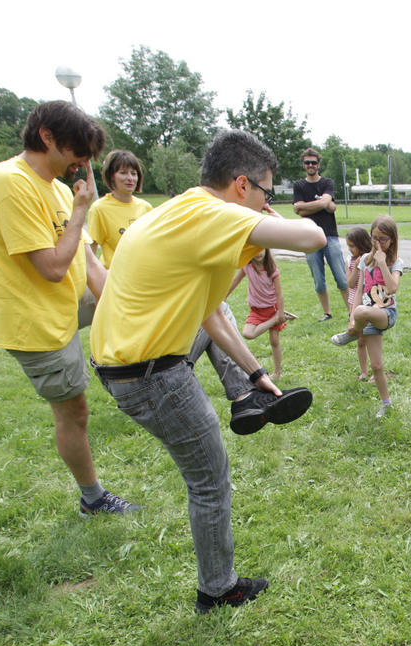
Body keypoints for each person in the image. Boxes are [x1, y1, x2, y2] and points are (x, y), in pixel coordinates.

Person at [89, 129, 325, 613]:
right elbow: (314, 236)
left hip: (128, 358)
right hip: (149, 374)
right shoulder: (211, 213)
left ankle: (245, 397)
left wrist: (257, 373)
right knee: (209, 481)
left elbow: (209, 312)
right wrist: (271, 216)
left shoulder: (183, 209)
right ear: (242, 185)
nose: (266, 201)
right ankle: (217, 589)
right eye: (266, 191)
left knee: (226, 313)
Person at [0, 100, 138, 517]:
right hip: (36, 320)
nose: (83, 163)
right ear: (47, 137)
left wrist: (126, 309)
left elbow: (88, 263)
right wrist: (82, 211)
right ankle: (93, 498)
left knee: (137, 313)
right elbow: (51, 267)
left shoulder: (59, 188)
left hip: (67, 301)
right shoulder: (9, 182)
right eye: (78, 153)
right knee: (75, 410)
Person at [332, 215, 403, 418]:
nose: (378, 243)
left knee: (361, 311)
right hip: (365, 315)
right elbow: (360, 289)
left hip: (385, 313)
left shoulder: (395, 262)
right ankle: (386, 403)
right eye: (375, 238)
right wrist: (352, 320)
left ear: (392, 240)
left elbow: (392, 288)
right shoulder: (364, 260)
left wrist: (382, 263)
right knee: (376, 365)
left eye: (383, 239)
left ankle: (355, 333)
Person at [292, 147, 348, 321]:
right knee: (318, 279)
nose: (310, 165)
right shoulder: (299, 185)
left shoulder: (327, 183)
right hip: (308, 237)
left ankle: (352, 311)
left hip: (330, 235)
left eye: (313, 162)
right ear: (303, 164)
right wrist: (322, 203)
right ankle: (327, 313)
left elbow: (321, 206)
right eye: (307, 162)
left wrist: (305, 205)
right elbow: (298, 211)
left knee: (341, 277)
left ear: (318, 164)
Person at [86, 149, 152, 270]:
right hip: (114, 279)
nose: (130, 178)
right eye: (123, 172)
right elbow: (90, 252)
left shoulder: (146, 207)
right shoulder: (99, 209)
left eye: (133, 173)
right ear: (111, 176)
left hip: (142, 276)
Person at [237, 248, 287, 381]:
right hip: (257, 310)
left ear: (266, 250)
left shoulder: (272, 269)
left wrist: (280, 312)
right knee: (248, 333)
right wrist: (223, 297)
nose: (258, 253)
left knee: (274, 341)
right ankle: (274, 320)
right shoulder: (247, 267)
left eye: (260, 250)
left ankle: (277, 372)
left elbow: (279, 294)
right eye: (254, 250)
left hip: (273, 308)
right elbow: (234, 282)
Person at [343, 226, 374, 381]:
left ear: (362, 244)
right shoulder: (349, 260)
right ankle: (364, 371)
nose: (350, 249)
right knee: (361, 340)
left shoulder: (370, 258)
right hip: (354, 303)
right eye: (348, 246)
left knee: (371, 338)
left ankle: (376, 371)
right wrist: (355, 268)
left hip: (369, 303)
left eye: (352, 246)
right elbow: (350, 283)